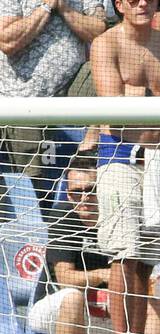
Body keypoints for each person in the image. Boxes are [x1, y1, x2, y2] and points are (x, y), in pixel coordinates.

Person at [89, 0, 160, 334]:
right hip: (120, 158)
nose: (143, 3)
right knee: (124, 254)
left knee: (146, 263)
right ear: (119, 5)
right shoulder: (106, 44)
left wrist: (143, 99)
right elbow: (115, 112)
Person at [0, 0, 106, 217]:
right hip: (22, 96)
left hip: (72, 84)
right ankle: (38, 221)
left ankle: (89, 148)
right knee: (33, 178)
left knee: (107, 70)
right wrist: (47, 7)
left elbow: (100, 33)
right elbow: (7, 41)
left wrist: (65, 8)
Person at [26, 153, 113, 334]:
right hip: (53, 312)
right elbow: (65, 279)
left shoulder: (117, 217)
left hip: (105, 313)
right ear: (67, 194)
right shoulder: (63, 216)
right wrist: (106, 274)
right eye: (76, 192)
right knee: (73, 296)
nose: (84, 198)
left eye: (91, 189)